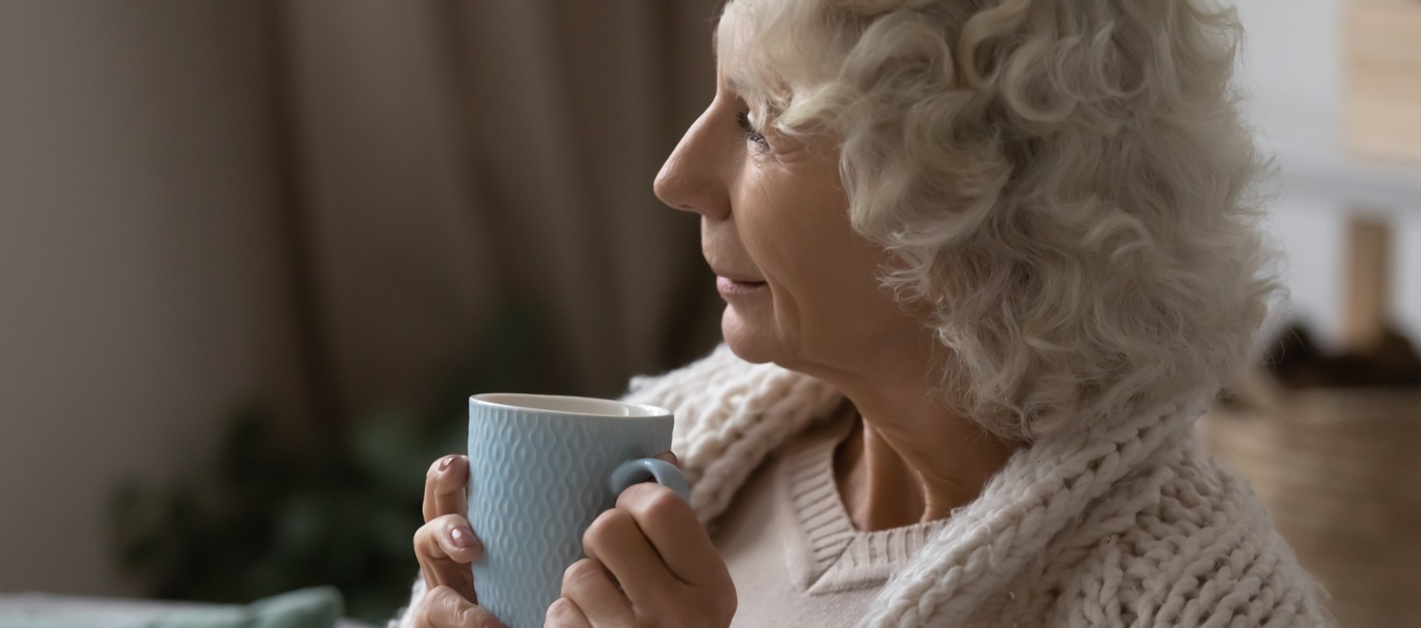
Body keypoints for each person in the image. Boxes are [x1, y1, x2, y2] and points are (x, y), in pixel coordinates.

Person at [396, 0, 1332, 625]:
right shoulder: (700, 427)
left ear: (964, 195)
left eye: (758, 124)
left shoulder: (1200, 603)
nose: (676, 178)